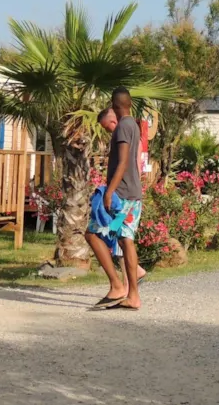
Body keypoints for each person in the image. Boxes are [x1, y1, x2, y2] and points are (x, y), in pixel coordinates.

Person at [84, 88, 144, 311]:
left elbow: (123, 162)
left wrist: (109, 192)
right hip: (132, 195)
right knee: (124, 239)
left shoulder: (122, 128)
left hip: (121, 196)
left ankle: (117, 286)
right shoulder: (133, 125)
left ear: (114, 105)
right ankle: (133, 296)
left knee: (92, 234)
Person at [94, 107, 146, 290]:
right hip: (127, 194)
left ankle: (126, 283)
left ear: (113, 121)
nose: (108, 131)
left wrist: (110, 192)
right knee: (120, 238)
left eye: (107, 127)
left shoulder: (125, 134)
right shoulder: (129, 133)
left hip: (125, 195)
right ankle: (130, 281)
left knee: (119, 239)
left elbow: (129, 165)